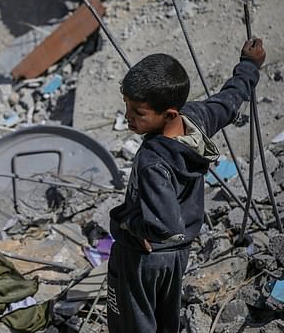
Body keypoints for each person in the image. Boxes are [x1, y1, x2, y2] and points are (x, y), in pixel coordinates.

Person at [106, 39, 266, 333]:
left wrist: (126, 222)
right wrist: (249, 65)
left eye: (138, 112)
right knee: (166, 321)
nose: (127, 117)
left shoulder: (153, 162)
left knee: (133, 323)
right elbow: (229, 100)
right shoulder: (195, 118)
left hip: (144, 257)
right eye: (127, 106)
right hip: (177, 254)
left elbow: (164, 224)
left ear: (167, 114)